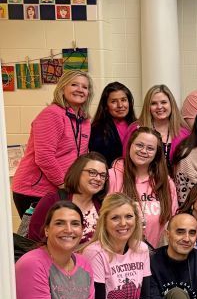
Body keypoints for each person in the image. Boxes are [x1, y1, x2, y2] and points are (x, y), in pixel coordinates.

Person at [12, 70, 93, 217]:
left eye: (85, 87)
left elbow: (81, 156)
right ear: (62, 88)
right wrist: (67, 186)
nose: (80, 90)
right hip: (34, 191)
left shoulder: (85, 120)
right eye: (74, 85)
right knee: (39, 239)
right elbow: (44, 157)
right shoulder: (52, 114)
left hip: (61, 189)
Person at [107, 127, 178, 249]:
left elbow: (172, 222)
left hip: (156, 256)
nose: (144, 151)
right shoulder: (112, 176)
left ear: (157, 154)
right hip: (119, 255)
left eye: (150, 148)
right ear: (130, 146)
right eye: (139, 145)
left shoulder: (166, 182)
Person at [28, 152, 107, 244]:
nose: (98, 178)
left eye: (103, 175)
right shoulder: (52, 201)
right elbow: (34, 239)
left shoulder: (103, 206)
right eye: (92, 172)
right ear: (77, 172)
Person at [122, 85, 189, 167]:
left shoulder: (185, 134)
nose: (159, 107)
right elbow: (126, 161)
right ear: (148, 107)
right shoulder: (135, 129)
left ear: (171, 104)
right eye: (153, 103)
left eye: (163, 102)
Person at [89, 82, 137, 165]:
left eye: (123, 100)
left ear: (129, 103)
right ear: (106, 106)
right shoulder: (97, 129)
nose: (120, 105)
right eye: (114, 101)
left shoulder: (138, 126)